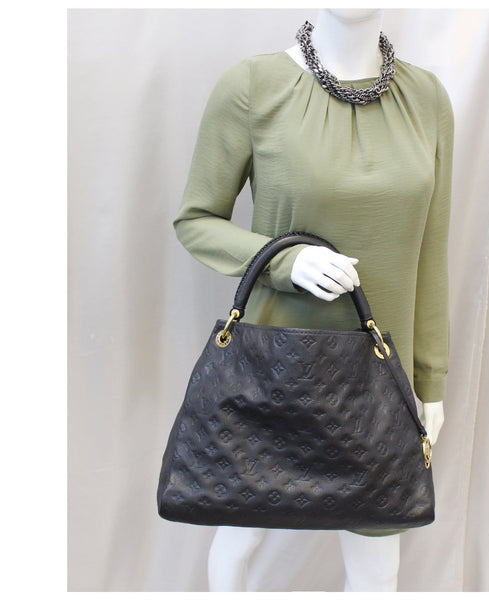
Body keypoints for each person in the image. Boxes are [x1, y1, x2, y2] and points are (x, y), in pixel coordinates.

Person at [172, 8, 453, 592]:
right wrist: (284, 260)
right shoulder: (254, 86)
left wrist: (430, 382)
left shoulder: (426, 98)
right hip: (270, 373)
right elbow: (197, 220)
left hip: (381, 376)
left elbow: (431, 252)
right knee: (239, 539)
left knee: (379, 564)